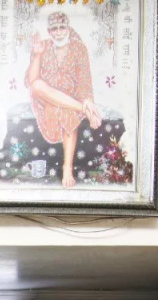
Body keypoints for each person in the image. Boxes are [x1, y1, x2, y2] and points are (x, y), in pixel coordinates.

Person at [25, 12, 102, 188]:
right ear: (49, 31)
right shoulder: (43, 46)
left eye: (62, 27)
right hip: (45, 97)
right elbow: (32, 81)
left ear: (68, 28)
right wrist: (37, 55)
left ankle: (67, 168)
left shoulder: (79, 48)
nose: (58, 32)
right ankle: (83, 110)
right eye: (54, 29)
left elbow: (84, 80)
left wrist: (87, 99)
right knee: (37, 86)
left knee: (67, 111)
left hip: (69, 99)